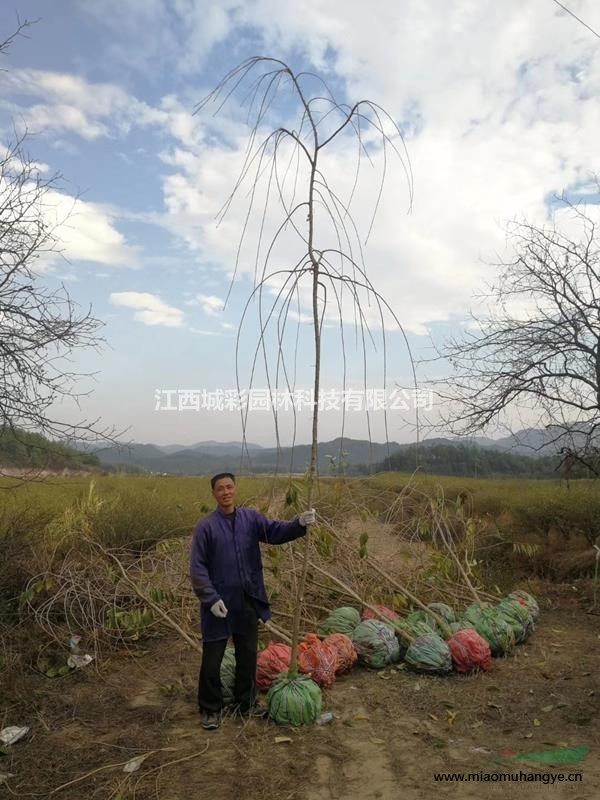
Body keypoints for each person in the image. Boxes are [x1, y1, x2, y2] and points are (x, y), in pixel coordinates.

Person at [189, 472, 316, 730]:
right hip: (219, 606)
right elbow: (197, 567)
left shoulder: (250, 519)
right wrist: (211, 598)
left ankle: (245, 703)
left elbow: (275, 532)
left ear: (235, 490)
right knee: (212, 659)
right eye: (220, 489)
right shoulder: (206, 527)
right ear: (214, 494)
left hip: (247, 599)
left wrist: (299, 524)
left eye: (229, 487)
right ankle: (210, 708)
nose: (225, 492)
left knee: (248, 655)